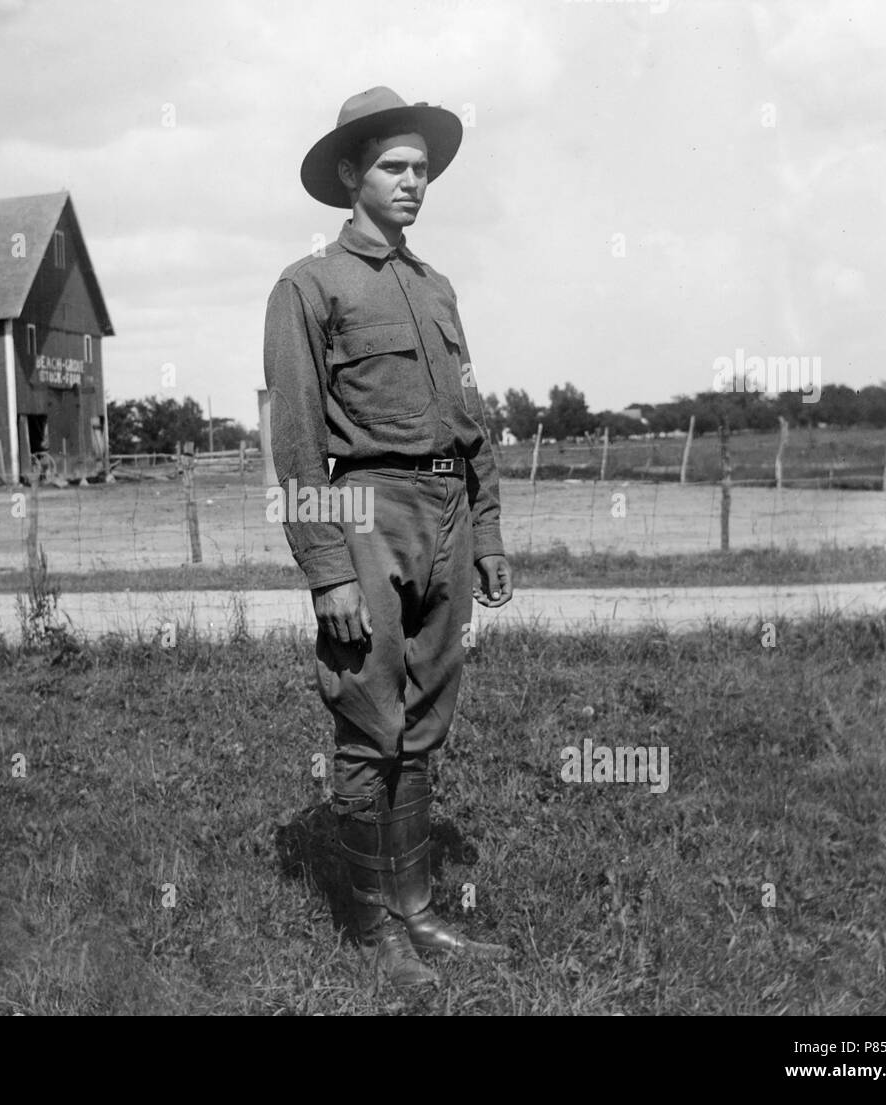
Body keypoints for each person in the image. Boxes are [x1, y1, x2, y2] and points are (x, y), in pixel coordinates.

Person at [263, 87, 514, 987]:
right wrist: (327, 568)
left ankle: (414, 908)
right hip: (362, 511)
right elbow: (294, 439)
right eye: (394, 167)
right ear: (349, 177)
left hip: (445, 513)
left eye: (422, 169)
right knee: (371, 719)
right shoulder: (309, 285)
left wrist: (485, 530)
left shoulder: (434, 286)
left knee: (429, 717)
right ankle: (373, 927)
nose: (414, 183)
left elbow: (469, 420)